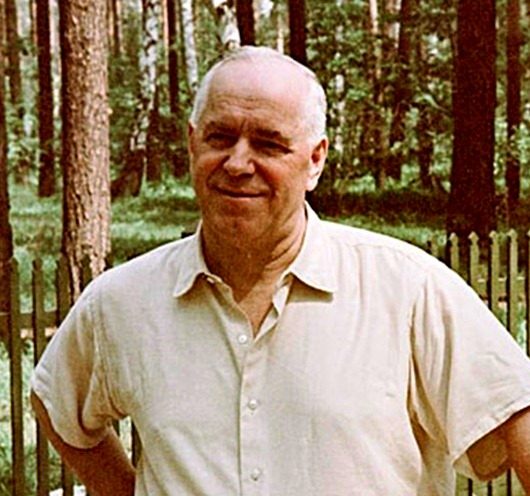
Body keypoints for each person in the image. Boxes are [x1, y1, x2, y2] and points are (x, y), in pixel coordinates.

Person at [31, 46, 530, 496]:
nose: (237, 163)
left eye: (269, 144)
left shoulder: (406, 290)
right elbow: (55, 405)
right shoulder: (123, 302)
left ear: (315, 160)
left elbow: (517, 418)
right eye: (220, 137)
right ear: (192, 143)